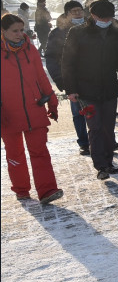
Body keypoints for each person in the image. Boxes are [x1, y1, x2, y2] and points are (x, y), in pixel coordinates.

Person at [62, 0, 118, 180]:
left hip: (109, 89)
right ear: (93, 16)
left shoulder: (115, 34)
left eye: (109, 17)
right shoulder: (77, 33)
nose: (106, 20)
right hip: (86, 91)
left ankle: (109, 162)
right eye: (103, 17)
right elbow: (68, 62)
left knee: (108, 127)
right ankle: (100, 165)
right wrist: (71, 89)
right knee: (95, 128)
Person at [1, 13, 63, 205]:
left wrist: (51, 99)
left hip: (34, 108)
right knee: (15, 154)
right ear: (2, 31)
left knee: (40, 151)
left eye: (22, 30)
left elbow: (41, 76)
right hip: (7, 114)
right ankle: (21, 190)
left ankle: (47, 190)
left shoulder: (30, 49)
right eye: (15, 31)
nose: (20, 34)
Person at [45, 0, 90, 155]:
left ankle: (104, 140)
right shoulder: (58, 33)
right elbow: (51, 58)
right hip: (72, 80)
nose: (78, 13)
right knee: (78, 113)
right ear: (67, 14)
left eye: (80, 10)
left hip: (93, 78)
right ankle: (84, 142)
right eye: (74, 11)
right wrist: (61, 79)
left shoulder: (91, 28)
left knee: (99, 112)